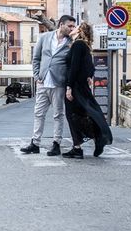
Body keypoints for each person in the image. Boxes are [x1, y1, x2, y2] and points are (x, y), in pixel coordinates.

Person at [21, 15, 77, 156]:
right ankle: (35, 143)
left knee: (58, 115)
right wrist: (36, 76)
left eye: (73, 26)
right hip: (43, 82)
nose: (72, 29)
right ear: (61, 24)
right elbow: (36, 58)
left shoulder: (72, 42)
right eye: (69, 26)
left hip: (59, 83)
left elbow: (72, 64)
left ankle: (56, 143)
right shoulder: (45, 38)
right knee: (38, 114)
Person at [61, 22, 113, 159]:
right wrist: (89, 76)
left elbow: (74, 67)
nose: (71, 29)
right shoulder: (85, 46)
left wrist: (69, 87)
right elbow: (90, 66)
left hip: (76, 86)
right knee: (85, 113)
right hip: (82, 86)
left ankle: (78, 147)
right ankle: (97, 138)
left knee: (73, 116)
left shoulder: (78, 45)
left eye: (74, 27)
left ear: (80, 31)